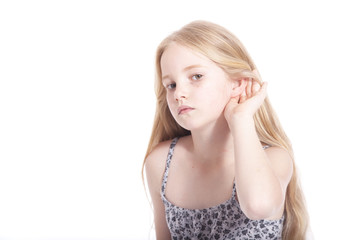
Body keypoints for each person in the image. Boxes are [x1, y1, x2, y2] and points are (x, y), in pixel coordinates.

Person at [142, 20, 309, 240]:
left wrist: (241, 118)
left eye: (196, 77)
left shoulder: (274, 158)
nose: (178, 93)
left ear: (238, 83)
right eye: (171, 84)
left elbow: (258, 207)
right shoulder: (161, 162)